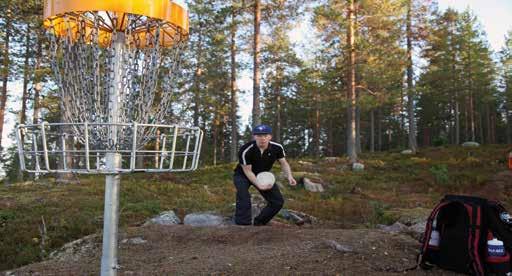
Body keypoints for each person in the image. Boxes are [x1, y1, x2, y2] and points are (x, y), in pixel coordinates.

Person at [233, 124, 297, 226]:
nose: (262, 138)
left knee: (277, 202)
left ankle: (259, 222)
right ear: (254, 137)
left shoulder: (277, 148)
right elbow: (248, 171)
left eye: (265, 135)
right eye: (259, 135)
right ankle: (243, 225)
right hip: (243, 175)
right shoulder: (246, 150)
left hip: (263, 175)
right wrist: (259, 185)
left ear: (270, 136)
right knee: (243, 196)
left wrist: (289, 176)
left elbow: (284, 163)